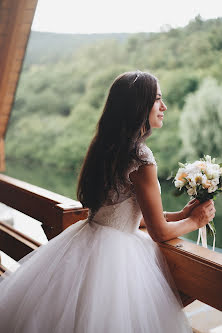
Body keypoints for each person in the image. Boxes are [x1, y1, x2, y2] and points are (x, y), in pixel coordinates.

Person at [0, 71, 215, 333]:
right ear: (139, 105)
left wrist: (180, 214)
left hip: (86, 240)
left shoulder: (107, 147)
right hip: (115, 258)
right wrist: (195, 220)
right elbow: (158, 232)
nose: (164, 106)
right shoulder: (141, 156)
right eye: (157, 99)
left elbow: (129, 212)